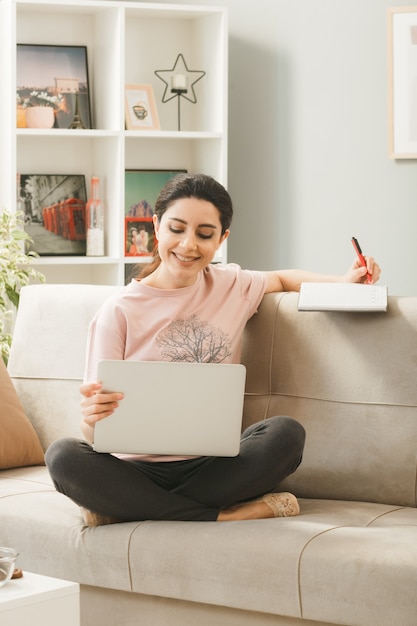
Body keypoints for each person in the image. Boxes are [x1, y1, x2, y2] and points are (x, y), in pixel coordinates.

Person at [45, 173, 381, 526]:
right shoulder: (117, 312)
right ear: (156, 227)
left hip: (212, 466)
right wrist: (91, 421)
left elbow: (282, 279)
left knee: (286, 434)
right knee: (63, 456)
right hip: (134, 470)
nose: (188, 245)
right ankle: (222, 515)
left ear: (221, 239)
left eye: (204, 234)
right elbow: (96, 435)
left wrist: (344, 283)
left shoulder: (231, 285)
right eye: (176, 229)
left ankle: (130, 508)